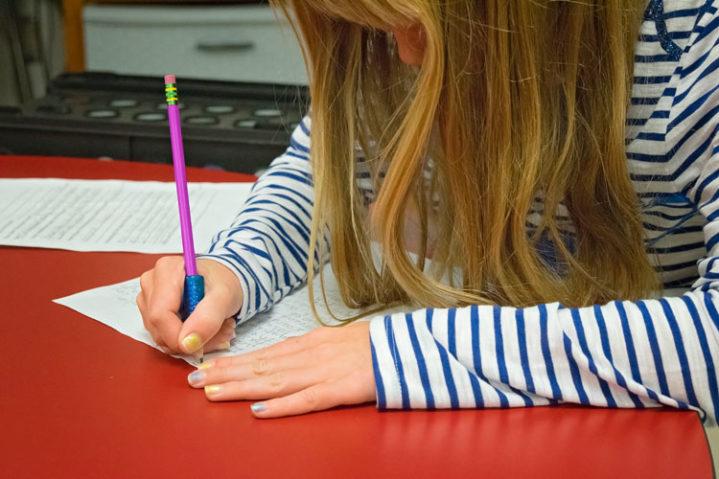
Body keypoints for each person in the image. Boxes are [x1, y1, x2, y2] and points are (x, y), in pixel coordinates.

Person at [137, 0, 719, 421]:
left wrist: (410, 352)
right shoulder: (392, 44)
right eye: (377, 27)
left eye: (415, 23)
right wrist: (234, 269)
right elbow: (324, 176)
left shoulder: (695, 46)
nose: (405, 57)